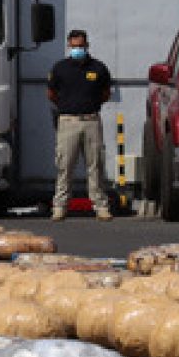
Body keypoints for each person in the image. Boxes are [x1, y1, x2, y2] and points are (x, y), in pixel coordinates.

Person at [47, 28, 113, 221]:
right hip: (68, 121)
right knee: (64, 165)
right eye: (74, 46)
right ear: (69, 46)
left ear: (87, 45)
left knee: (95, 165)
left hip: (91, 120)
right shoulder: (60, 68)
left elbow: (105, 93)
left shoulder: (98, 68)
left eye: (81, 46)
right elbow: (51, 94)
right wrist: (66, 107)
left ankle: (100, 206)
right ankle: (60, 206)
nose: (78, 49)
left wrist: (92, 105)